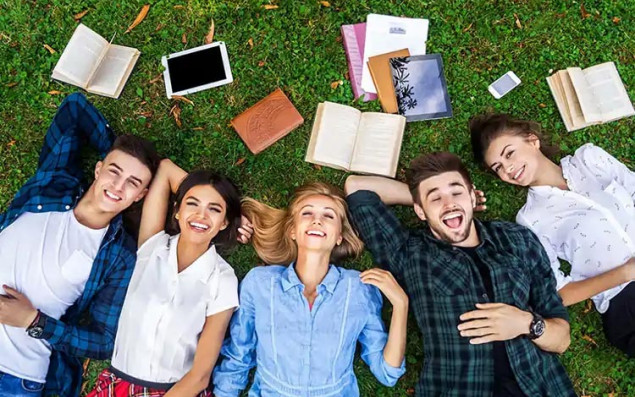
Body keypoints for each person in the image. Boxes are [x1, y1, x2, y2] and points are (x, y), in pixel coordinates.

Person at [344, 152, 576, 397]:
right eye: (435, 198)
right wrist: (423, 200)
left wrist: (526, 324)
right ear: (420, 212)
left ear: (472, 196)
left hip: (539, 388)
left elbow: (561, 340)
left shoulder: (517, 239)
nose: (449, 204)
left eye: (456, 192)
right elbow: (357, 187)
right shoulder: (407, 252)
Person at [0, 92, 160, 397]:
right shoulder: (54, 183)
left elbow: (104, 342)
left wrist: (34, 321)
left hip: (13, 376)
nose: (118, 186)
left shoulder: (119, 256)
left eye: (133, 183)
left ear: (141, 195)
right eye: (114, 172)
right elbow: (74, 108)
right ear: (98, 169)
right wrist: (118, 148)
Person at [213, 182, 408, 397]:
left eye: (329, 216)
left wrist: (401, 304)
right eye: (307, 213)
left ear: (339, 236)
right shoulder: (260, 283)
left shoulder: (359, 288)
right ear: (293, 231)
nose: (317, 220)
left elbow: (387, 373)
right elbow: (239, 354)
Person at [470, 113, 635, 357]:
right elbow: (560, 293)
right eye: (498, 168)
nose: (508, 169)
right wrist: (625, 273)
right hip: (624, 299)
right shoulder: (530, 219)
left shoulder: (589, 159)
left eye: (509, 153)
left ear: (532, 140)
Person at [86, 160, 244, 396]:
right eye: (192, 204)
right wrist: (206, 186)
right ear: (177, 211)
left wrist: (235, 211)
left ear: (224, 223)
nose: (201, 215)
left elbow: (200, 377)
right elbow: (166, 169)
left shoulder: (223, 278)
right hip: (116, 385)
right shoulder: (152, 246)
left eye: (214, 209)